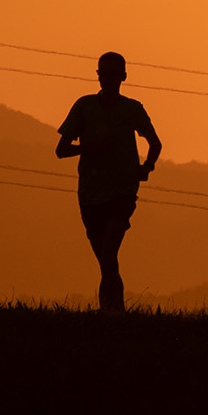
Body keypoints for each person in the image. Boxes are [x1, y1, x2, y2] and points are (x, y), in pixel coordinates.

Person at [56, 51, 161, 313]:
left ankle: (111, 311)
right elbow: (61, 149)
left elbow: (155, 143)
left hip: (122, 192)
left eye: (114, 73)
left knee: (108, 252)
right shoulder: (84, 106)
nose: (109, 79)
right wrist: (88, 148)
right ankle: (114, 313)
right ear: (98, 76)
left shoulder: (132, 109)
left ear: (124, 76)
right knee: (106, 260)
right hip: (90, 194)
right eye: (104, 73)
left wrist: (146, 167)